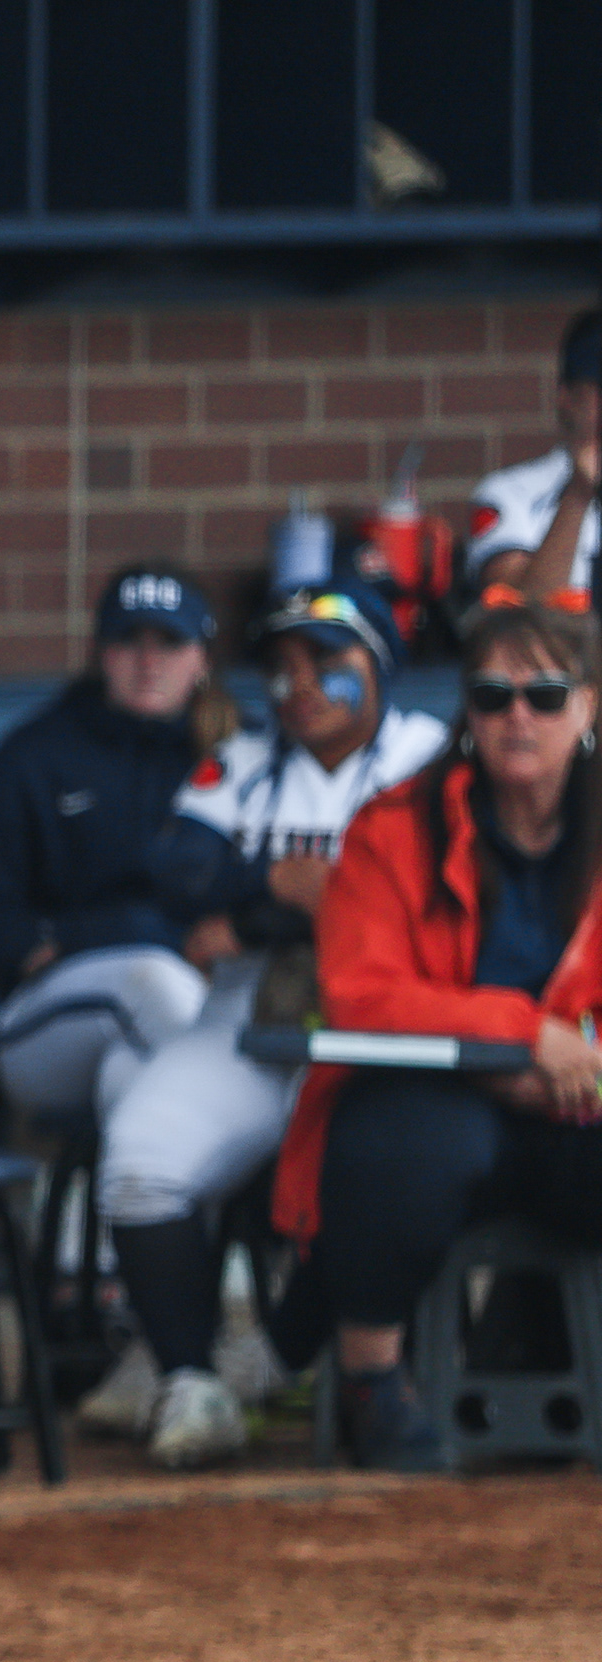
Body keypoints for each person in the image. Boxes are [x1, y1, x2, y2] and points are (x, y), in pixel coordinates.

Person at [85, 584, 448, 1470]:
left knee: (374, 1175)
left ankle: (277, 1358)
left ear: (380, 666)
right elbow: (177, 875)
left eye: (327, 661)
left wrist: (259, 913)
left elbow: (430, 897)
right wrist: (276, 894)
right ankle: (189, 1378)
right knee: (139, 1159)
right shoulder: (242, 759)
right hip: (250, 1021)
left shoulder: (430, 756)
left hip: (393, 1029)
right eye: (283, 666)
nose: (301, 684)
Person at [277, 605, 602, 1470]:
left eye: (544, 695)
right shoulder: (392, 828)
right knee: (407, 1138)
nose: (517, 717)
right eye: (492, 697)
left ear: (589, 706)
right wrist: (521, 1038)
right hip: (438, 1096)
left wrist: (571, 1064)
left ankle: (534, 1352)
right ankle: (372, 1379)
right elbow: (361, 996)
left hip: (577, 1101)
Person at [0, 564, 241, 1135]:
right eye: (129, 641)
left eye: (170, 643)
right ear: (101, 653)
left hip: (202, 995)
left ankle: (133, 1192)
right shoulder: (37, 753)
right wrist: (107, 934)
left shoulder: (239, 756)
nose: (148, 661)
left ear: (202, 659)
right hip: (48, 1016)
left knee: (128, 1078)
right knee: (152, 980)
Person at [460, 307, 602, 620]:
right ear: (568, 397)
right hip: (561, 652)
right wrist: (579, 494)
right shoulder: (508, 493)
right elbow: (515, 613)